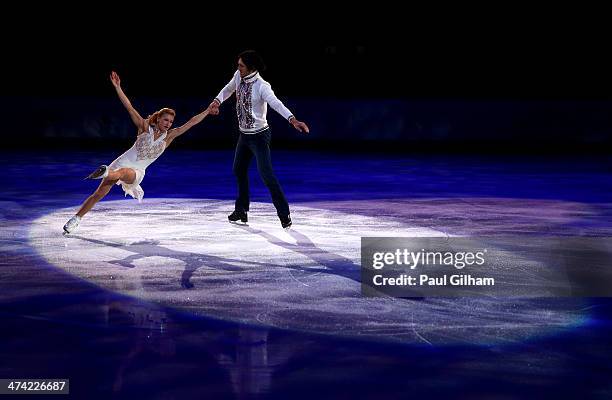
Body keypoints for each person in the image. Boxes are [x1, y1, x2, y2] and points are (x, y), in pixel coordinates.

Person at [63, 71, 217, 234]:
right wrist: (117, 87)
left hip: (136, 171)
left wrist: (207, 110)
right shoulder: (144, 127)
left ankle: (106, 171)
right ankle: (76, 219)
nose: (168, 123)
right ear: (158, 119)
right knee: (98, 194)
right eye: (165, 120)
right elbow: (129, 107)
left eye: (171, 121)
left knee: (122, 173)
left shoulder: (169, 137)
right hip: (122, 161)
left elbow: (191, 122)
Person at [208, 50, 309, 229]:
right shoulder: (238, 76)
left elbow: (276, 103)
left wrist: (292, 119)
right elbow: (228, 88)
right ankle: (242, 210)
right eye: (238, 65)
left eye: (241, 66)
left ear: (251, 68)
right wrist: (217, 101)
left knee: (266, 175)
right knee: (238, 170)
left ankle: (284, 214)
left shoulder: (262, 86)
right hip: (244, 136)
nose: (238, 68)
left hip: (259, 137)